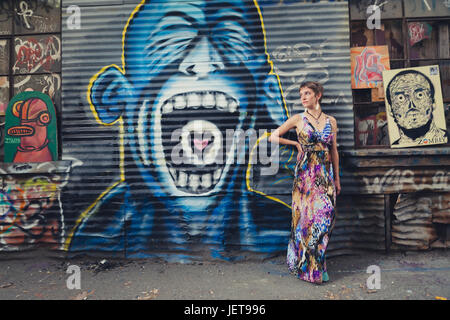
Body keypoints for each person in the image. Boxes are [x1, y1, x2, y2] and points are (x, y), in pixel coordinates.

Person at [269, 81, 340, 284]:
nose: (303, 97)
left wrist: (337, 178)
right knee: (305, 223)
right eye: (301, 94)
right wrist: (294, 143)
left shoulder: (331, 121)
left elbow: (334, 151)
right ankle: (313, 269)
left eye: (307, 93)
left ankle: (317, 263)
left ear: (318, 95)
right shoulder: (298, 119)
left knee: (324, 220)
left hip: (325, 177)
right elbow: (273, 137)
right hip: (304, 179)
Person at [385, 69, 448, 147]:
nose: (411, 105)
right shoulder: (391, 145)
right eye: (400, 98)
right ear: (390, 109)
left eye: (419, 95)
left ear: (433, 103)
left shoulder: (446, 140)